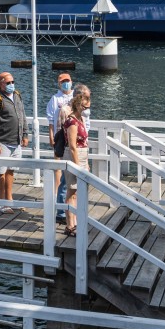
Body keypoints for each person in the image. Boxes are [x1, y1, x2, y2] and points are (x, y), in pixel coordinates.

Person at [0, 71, 29, 212]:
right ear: (1, 83)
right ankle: (2, 202)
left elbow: (23, 116)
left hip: (15, 141)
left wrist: (25, 134)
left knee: (11, 171)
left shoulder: (17, 96)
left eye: (12, 82)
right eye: (8, 82)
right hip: (2, 142)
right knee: (0, 172)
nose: (11, 85)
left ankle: (9, 199)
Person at [60, 84, 92, 235]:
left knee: (78, 191)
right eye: (86, 101)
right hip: (74, 156)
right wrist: (79, 166)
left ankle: (76, 222)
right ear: (79, 101)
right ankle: (70, 225)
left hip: (82, 155)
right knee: (71, 190)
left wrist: (87, 163)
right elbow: (72, 146)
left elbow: (84, 142)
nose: (87, 105)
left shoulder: (81, 119)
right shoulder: (72, 121)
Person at [45, 72, 74, 222]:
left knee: (71, 171)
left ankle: (67, 202)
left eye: (67, 81)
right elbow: (51, 118)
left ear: (71, 81)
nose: (65, 83)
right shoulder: (55, 99)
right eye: (63, 82)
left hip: (73, 137)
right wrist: (51, 135)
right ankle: (58, 196)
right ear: (59, 84)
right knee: (58, 167)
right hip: (60, 137)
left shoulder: (76, 96)